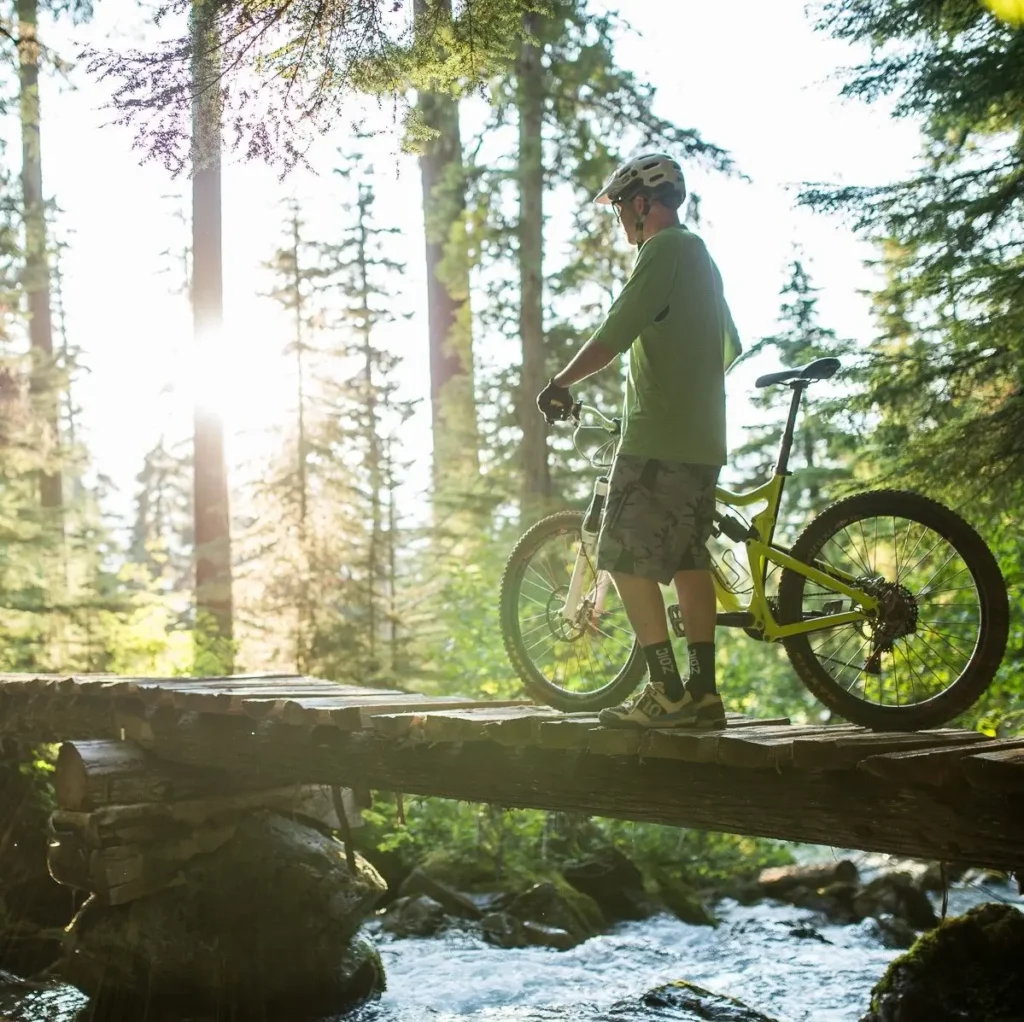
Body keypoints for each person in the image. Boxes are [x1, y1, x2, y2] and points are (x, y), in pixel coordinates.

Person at [536, 152, 741, 729]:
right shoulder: (702, 258)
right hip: (703, 440)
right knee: (687, 560)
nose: (622, 218)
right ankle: (702, 696)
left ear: (644, 203)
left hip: (659, 440)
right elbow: (727, 347)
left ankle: (666, 691)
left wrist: (559, 383)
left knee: (619, 552)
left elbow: (614, 334)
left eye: (623, 205)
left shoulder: (663, 250)